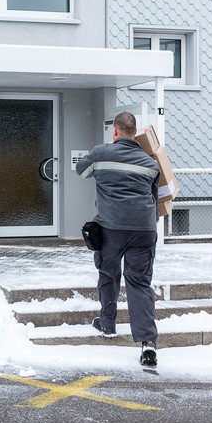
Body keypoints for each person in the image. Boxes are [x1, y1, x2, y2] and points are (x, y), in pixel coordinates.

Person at [75, 111, 160, 367]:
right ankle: (148, 344)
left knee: (109, 274)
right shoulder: (151, 163)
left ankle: (108, 323)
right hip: (143, 230)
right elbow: (155, 198)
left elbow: (81, 170)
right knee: (140, 284)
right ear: (135, 133)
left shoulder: (101, 154)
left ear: (115, 131)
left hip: (111, 227)